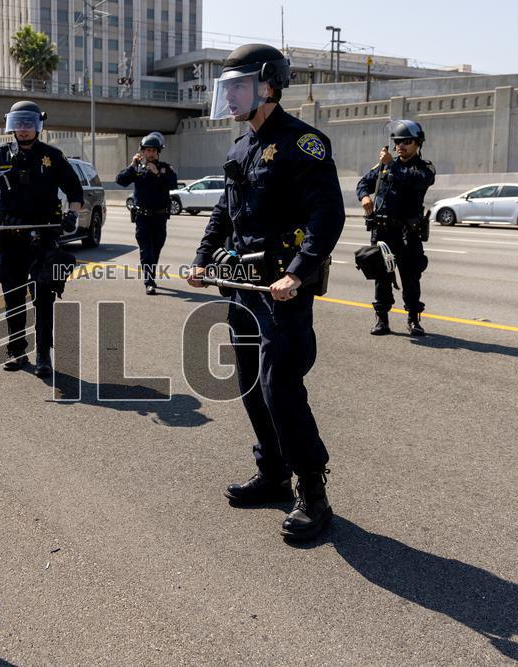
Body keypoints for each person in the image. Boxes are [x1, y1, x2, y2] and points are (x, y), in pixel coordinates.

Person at [187, 43, 345, 541]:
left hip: (282, 291)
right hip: (243, 286)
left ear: (268, 85)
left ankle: (313, 493)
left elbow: (327, 214)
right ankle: (274, 473)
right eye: (226, 88)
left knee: (281, 387)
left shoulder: (303, 143)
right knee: (251, 383)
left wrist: (298, 271)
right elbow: (223, 213)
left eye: (237, 86)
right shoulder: (240, 147)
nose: (229, 96)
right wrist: (201, 258)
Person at [0, 100, 84, 377]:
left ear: (38, 125)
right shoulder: (0, 157)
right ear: (12, 126)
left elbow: (75, 192)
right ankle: (16, 350)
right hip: (11, 240)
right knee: (13, 298)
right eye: (18, 124)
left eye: (28, 124)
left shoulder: (53, 156)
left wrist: (73, 214)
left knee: (44, 299)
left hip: (44, 238)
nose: (23, 130)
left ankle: (44, 354)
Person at [356, 120, 436, 336]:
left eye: (406, 141)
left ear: (418, 143)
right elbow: (363, 183)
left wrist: (392, 165)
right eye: (397, 141)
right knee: (381, 276)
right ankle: (382, 319)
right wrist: (364, 197)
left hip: (408, 232)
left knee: (411, 277)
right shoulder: (383, 165)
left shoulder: (424, 168)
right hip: (383, 231)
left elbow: (415, 182)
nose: (400, 145)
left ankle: (413, 319)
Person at [116, 132, 178, 294]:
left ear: (158, 152)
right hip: (142, 217)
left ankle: (151, 275)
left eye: (153, 151)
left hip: (160, 216)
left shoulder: (164, 168)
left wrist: (157, 172)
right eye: (147, 150)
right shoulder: (136, 169)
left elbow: (173, 184)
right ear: (142, 152)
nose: (150, 153)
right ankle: (149, 282)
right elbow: (120, 181)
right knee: (146, 250)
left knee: (156, 248)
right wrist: (132, 166)